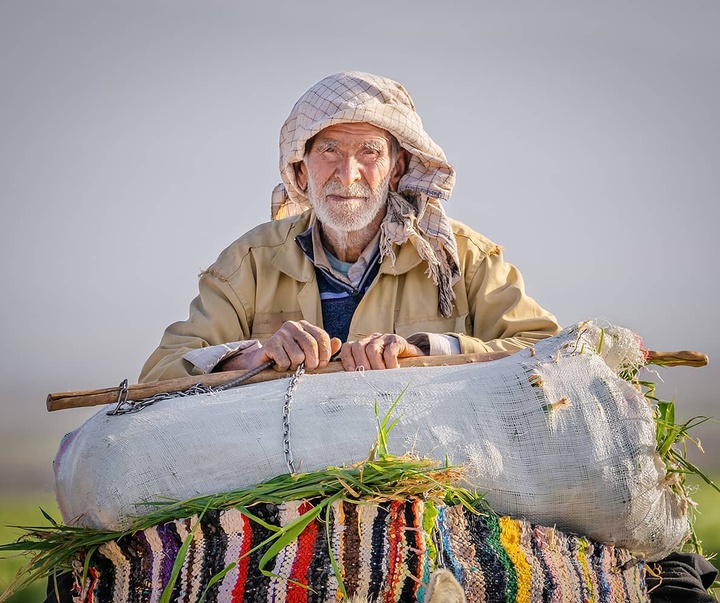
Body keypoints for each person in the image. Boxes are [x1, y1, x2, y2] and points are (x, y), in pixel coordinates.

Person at [139, 71, 560, 383]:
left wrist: (425, 351)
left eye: (369, 152)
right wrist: (251, 357)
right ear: (301, 173)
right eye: (330, 150)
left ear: (396, 169)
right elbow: (160, 373)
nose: (348, 173)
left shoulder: (462, 259)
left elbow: (546, 350)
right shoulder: (248, 266)